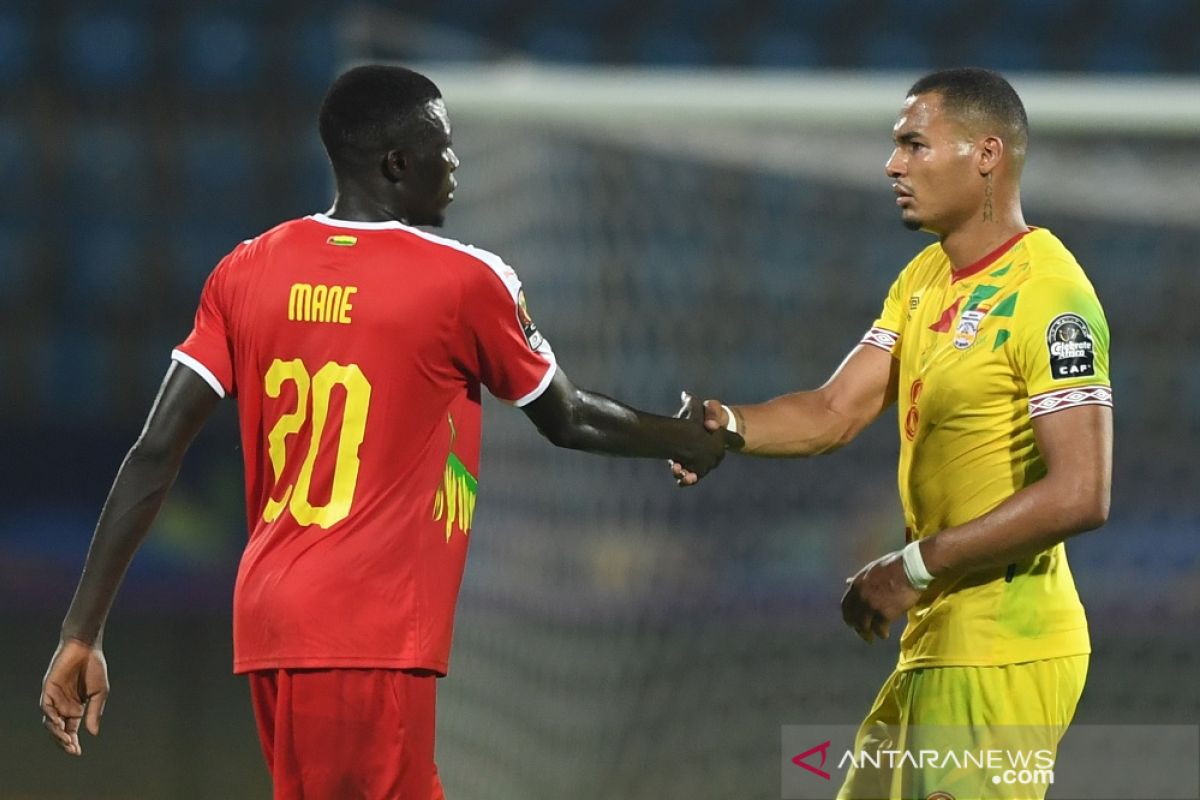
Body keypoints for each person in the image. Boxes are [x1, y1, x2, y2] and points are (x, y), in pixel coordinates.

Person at [39, 64, 733, 799]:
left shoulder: (246, 270)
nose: (457, 163)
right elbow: (567, 416)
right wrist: (683, 438)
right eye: (444, 145)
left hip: (273, 625)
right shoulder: (465, 279)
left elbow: (154, 452)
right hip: (364, 633)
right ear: (399, 163)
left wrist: (81, 630)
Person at [675, 68, 1112, 799]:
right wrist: (730, 426)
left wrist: (912, 567)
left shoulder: (1051, 295)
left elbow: (1082, 492)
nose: (892, 165)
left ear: (986, 155)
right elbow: (835, 409)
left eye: (914, 144)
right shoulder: (924, 279)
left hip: (1004, 653)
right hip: (938, 644)